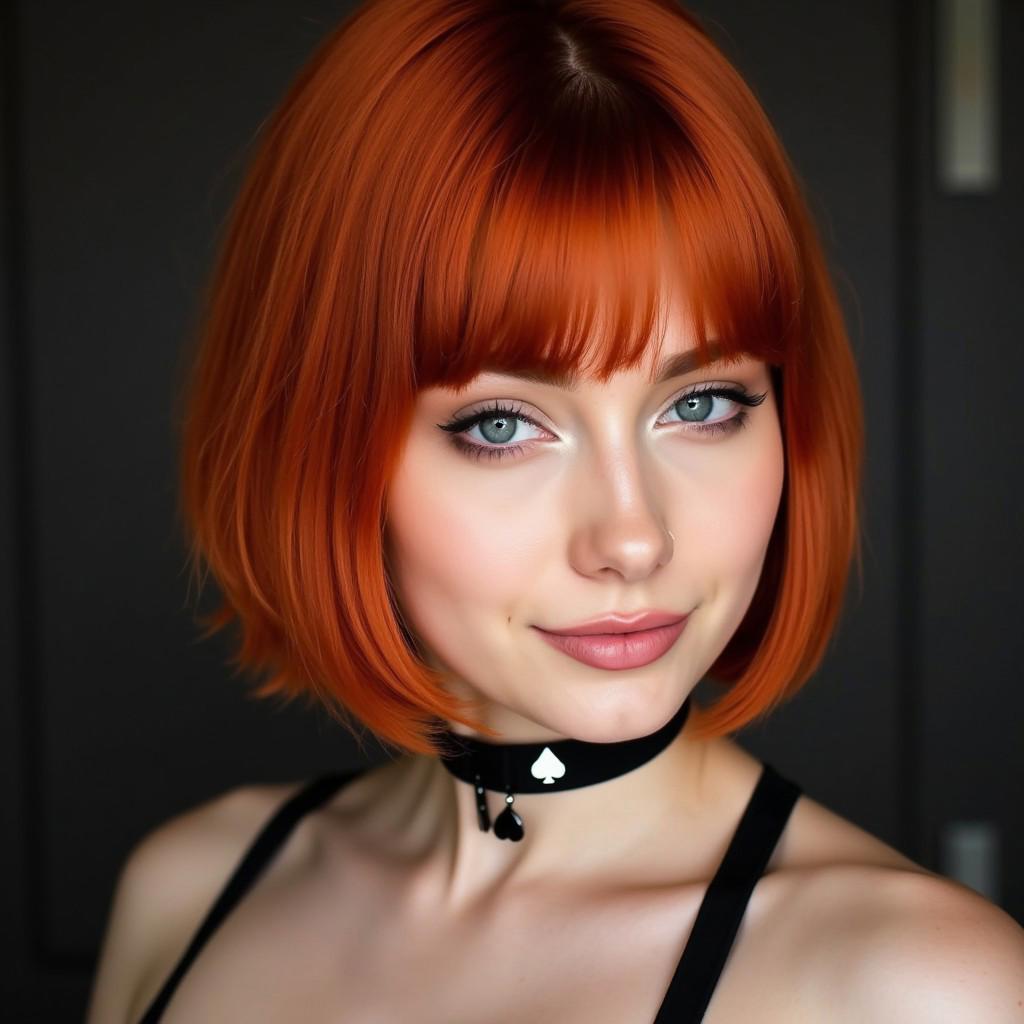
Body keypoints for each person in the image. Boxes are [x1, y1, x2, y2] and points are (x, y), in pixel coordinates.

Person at [85, 0, 1024, 1021]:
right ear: (316, 443)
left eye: (701, 404)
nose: (633, 536)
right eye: (502, 425)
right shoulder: (189, 895)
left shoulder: (926, 989)